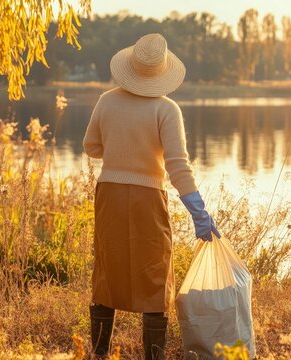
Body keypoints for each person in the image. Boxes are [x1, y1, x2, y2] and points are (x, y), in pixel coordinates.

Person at [83, 33, 221, 360]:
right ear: (162, 72)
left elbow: (91, 146)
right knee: (155, 274)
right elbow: (177, 167)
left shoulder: (106, 100)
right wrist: (198, 212)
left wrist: (118, 150)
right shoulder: (166, 109)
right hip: (148, 198)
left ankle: (98, 354)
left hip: (110, 195)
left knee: (108, 269)